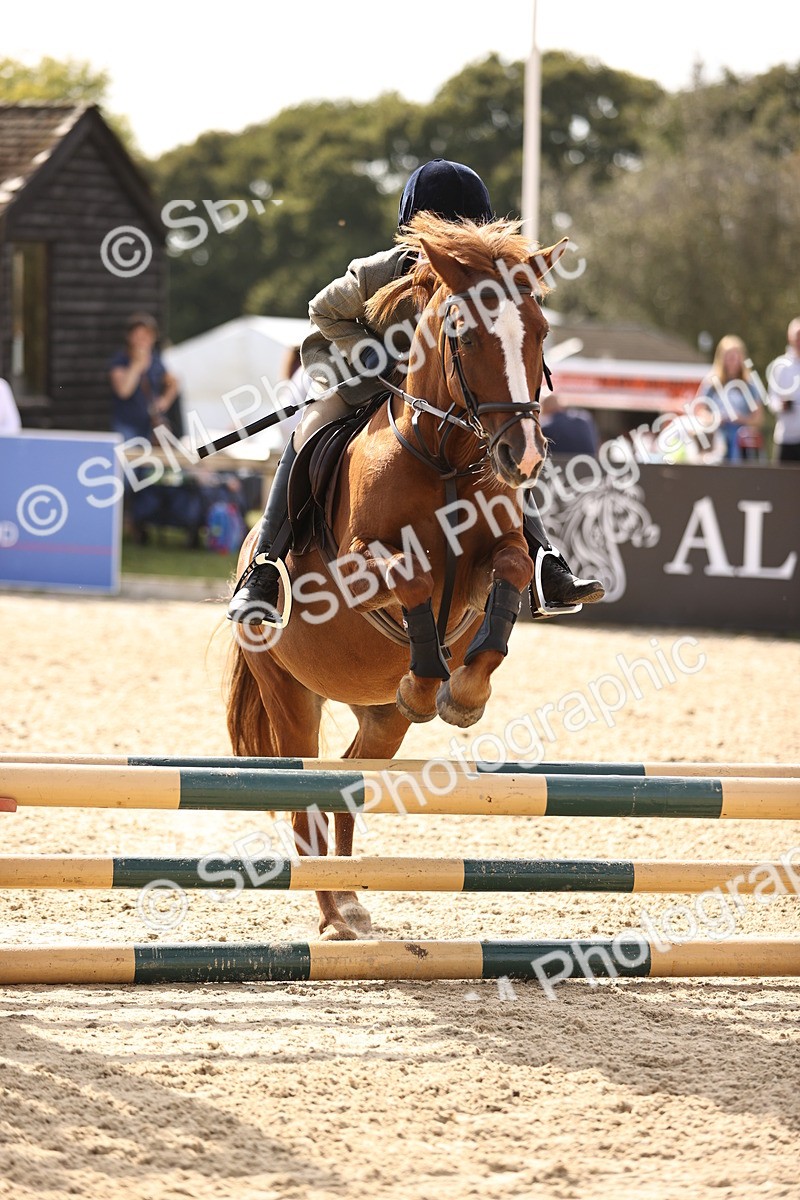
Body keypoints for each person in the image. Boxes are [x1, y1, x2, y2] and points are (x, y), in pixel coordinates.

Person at [227, 159, 605, 624]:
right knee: (308, 431)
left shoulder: (492, 283)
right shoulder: (379, 273)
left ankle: (546, 562)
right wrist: (378, 359)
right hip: (365, 379)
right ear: (415, 233)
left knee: (510, 446)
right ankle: (264, 570)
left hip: (446, 400)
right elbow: (323, 311)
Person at [109, 312, 179, 444]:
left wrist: (164, 400)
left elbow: (173, 382)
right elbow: (124, 391)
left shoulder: (156, 360)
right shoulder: (120, 360)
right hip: (127, 425)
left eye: (146, 336)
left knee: (150, 462)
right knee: (127, 462)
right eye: (138, 335)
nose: (142, 340)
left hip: (150, 427)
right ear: (129, 337)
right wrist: (136, 365)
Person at [696, 335, 763, 463]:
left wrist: (741, 419)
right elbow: (699, 410)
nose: (732, 360)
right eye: (728, 356)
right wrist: (714, 418)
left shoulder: (749, 385)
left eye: (735, 356)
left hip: (740, 441)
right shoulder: (711, 382)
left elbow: (758, 418)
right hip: (715, 438)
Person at [767, 317, 800, 464]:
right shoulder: (780, 366)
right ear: (790, 337)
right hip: (785, 438)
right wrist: (782, 406)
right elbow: (771, 399)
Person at [540, 390, 600, 458]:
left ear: (545, 409)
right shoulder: (584, 419)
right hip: (590, 463)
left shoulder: (546, 429)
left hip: (560, 466)